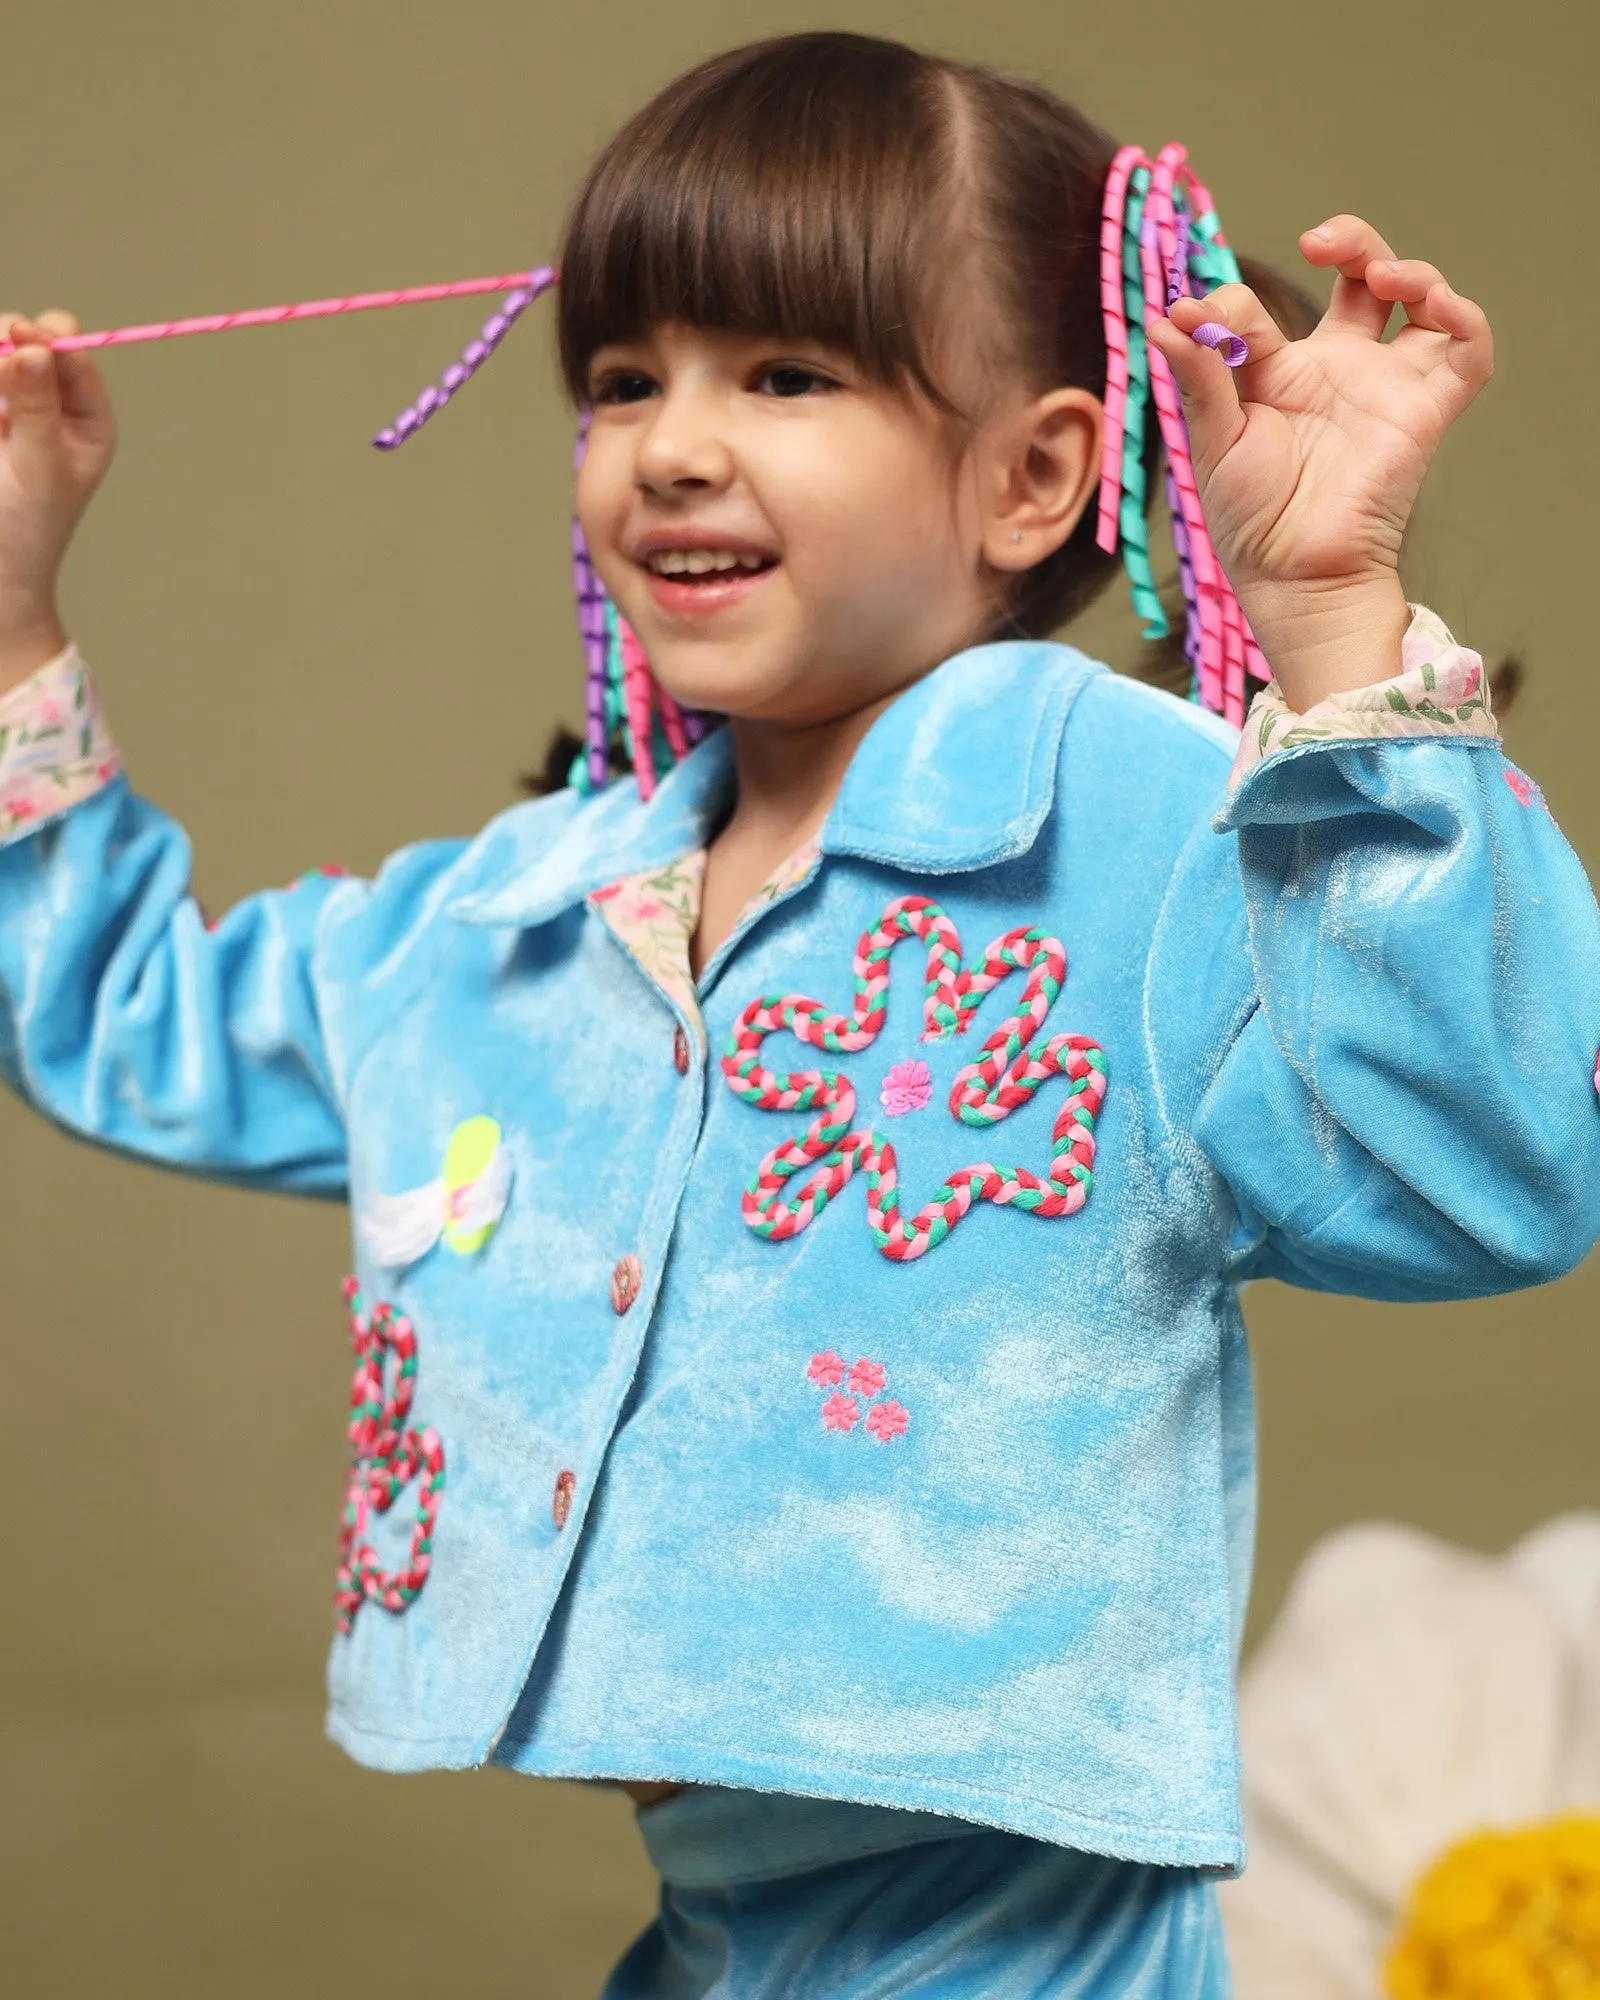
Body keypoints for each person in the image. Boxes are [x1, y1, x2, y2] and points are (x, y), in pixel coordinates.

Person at [1, 29, 1595, 2000]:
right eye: (617, 380)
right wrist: (11, 620)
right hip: (717, 1938)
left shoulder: (1156, 837)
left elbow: (1491, 1173)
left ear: (1032, 473)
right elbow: (121, 1013)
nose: (673, 441)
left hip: (1023, 1952)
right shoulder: (530, 919)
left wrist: (1334, 617)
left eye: (782, 372)